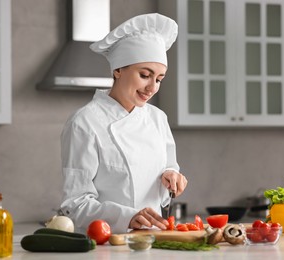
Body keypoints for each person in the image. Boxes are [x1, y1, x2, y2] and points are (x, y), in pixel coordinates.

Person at [59, 13, 188, 234]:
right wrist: (127, 217)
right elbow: (75, 204)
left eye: (159, 79)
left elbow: (168, 167)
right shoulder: (84, 123)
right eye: (145, 75)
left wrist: (172, 177)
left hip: (154, 240)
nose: (152, 87)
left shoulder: (158, 118)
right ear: (118, 70)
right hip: (108, 243)